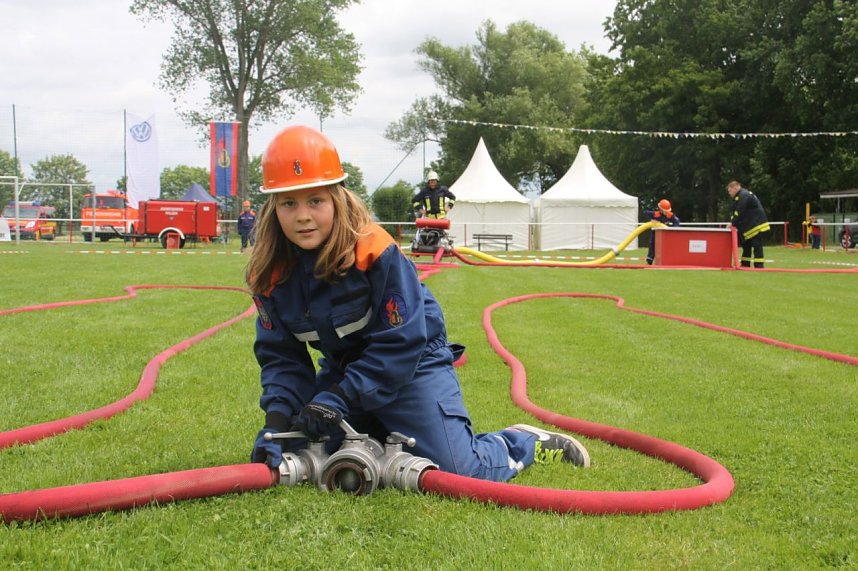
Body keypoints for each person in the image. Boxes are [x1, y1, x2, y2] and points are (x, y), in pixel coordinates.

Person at [246, 125, 589, 482]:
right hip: (346, 372)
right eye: (289, 203)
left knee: (459, 471)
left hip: (413, 364)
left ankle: (520, 442)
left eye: (315, 200)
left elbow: (402, 342)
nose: (302, 215)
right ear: (273, 207)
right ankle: (377, 426)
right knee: (299, 448)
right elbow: (282, 358)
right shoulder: (271, 273)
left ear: (338, 198)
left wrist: (340, 397)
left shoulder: (375, 252)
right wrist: (278, 425)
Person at [726, 181, 770, 268]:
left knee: (757, 245)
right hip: (750, 225)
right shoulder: (741, 196)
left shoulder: (744, 195)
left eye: (730, 191)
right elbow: (736, 212)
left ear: (735, 188)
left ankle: (759, 265)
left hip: (756, 224)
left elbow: (739, 211)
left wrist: (732, 223)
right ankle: (745, 264)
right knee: (746, 245)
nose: (729, 193)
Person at [643, 198, 681, 265]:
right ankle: (650, 259)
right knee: (652, 244)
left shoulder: (670, 215)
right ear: (660, 209)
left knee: (666, 246)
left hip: (665, 233)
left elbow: (677, 221)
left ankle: (668, 259)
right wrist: (651, 220)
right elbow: (646, 213)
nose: (666, 212)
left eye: (667, 210)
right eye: (665, 210)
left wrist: (673, 229)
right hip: (655, 232)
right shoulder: (655, 214)